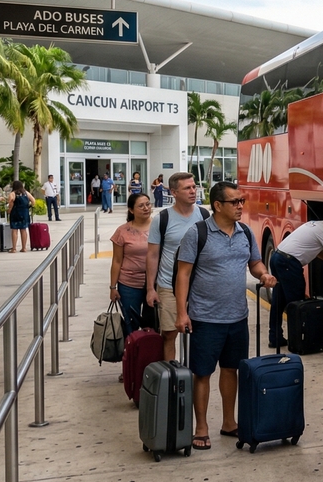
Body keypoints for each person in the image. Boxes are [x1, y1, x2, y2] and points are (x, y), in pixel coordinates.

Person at [173, 181, 275, 451]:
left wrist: (263, 274)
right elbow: (183, 274)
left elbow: (253, 262)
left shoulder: (245, 232)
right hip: (205, 317)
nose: (241, 206)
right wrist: (182, 312)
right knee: (203, 373)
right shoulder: (198, 233)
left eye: (242, 201)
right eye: (235, 202)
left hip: (237, 316)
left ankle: (229, 422)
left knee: (231, 370)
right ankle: (202, 427)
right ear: (218, 205)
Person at [146, 172, 209, 362]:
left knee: (201, 335)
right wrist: (150, 289)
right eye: (187, 188)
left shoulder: (205, 216)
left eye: (194, 186)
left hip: (199, 288)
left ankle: (195, 378)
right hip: (168, 286)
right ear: (173, 192)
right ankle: (172, 379)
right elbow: (152, 254)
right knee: (169, 334)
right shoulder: (162, 218)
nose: (193, 191)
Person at [267, 214, 323, 348]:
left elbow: (319, 253)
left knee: (279, 301)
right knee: (297, 303)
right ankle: (299, 341)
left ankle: (275, 337)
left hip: (278, 257)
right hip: (289, 264)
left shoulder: (315, 225)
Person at [110, 193, 153, 335]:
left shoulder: (159, 227)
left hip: (154, 284)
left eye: (148, 204)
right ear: (131, 210)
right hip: (129, 285)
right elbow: (116, 260)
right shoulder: (122, 231)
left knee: (153, 326)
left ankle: (151, 356)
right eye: (141, 206)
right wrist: (113, 287)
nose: (146, 208)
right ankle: (132, 355)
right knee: (131, 325)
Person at [8, 180, 33, 253]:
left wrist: (9, 210)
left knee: (14, 230)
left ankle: (14, 248)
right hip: (25, 213)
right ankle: (24, 248)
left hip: (15, 212)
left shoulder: (13, 193)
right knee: (23, 230)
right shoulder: (26, 193)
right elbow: (33, 201)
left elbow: (11, 202)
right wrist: (28, 206)